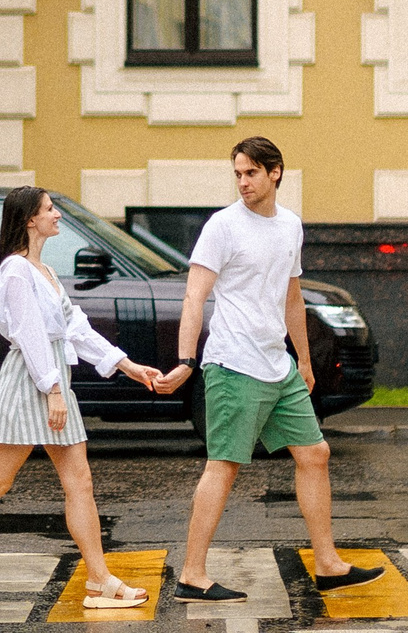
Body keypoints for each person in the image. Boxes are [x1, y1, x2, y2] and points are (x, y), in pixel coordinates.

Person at [0, 185, 170, 612]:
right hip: (32, 380)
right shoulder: (15, 272)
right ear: (30, 219)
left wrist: (128, 366)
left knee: (79, 482)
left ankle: (99, 581)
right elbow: (30, 336)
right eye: (50, 209)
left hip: (51, 378)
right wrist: (52, 389)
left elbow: (77, 329)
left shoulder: (43, 271)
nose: (58, 216)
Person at [159, 136, 381, 601]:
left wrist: (302, 358)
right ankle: (191, 575)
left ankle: (327, 563)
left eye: (251, 173)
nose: (242, 181)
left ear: (275, 172)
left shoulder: (290, 226)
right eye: (237, 173)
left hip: (277, 364)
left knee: (314, 454)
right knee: (225, 464)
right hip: (234, 363)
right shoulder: (223, 227)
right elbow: (194, 296)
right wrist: (185, 360)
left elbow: (292, 297)